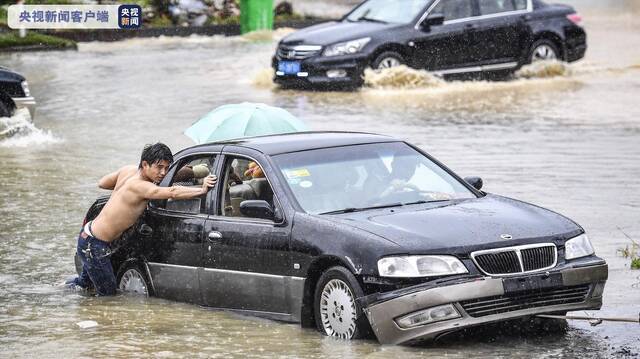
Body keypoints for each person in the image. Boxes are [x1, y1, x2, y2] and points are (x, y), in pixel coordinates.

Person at [68, 143, 217, 296]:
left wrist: (122, 192)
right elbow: (172, 192)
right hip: (94, 246)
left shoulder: (128, 171)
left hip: (89, 236)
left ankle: (61, 294)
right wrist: (202, 189)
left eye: (166, 168)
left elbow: (102, 183)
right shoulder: (141, 187)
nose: (163, 172)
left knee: (84, 285)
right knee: (108, 296)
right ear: (145, 164)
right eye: (159, 167)